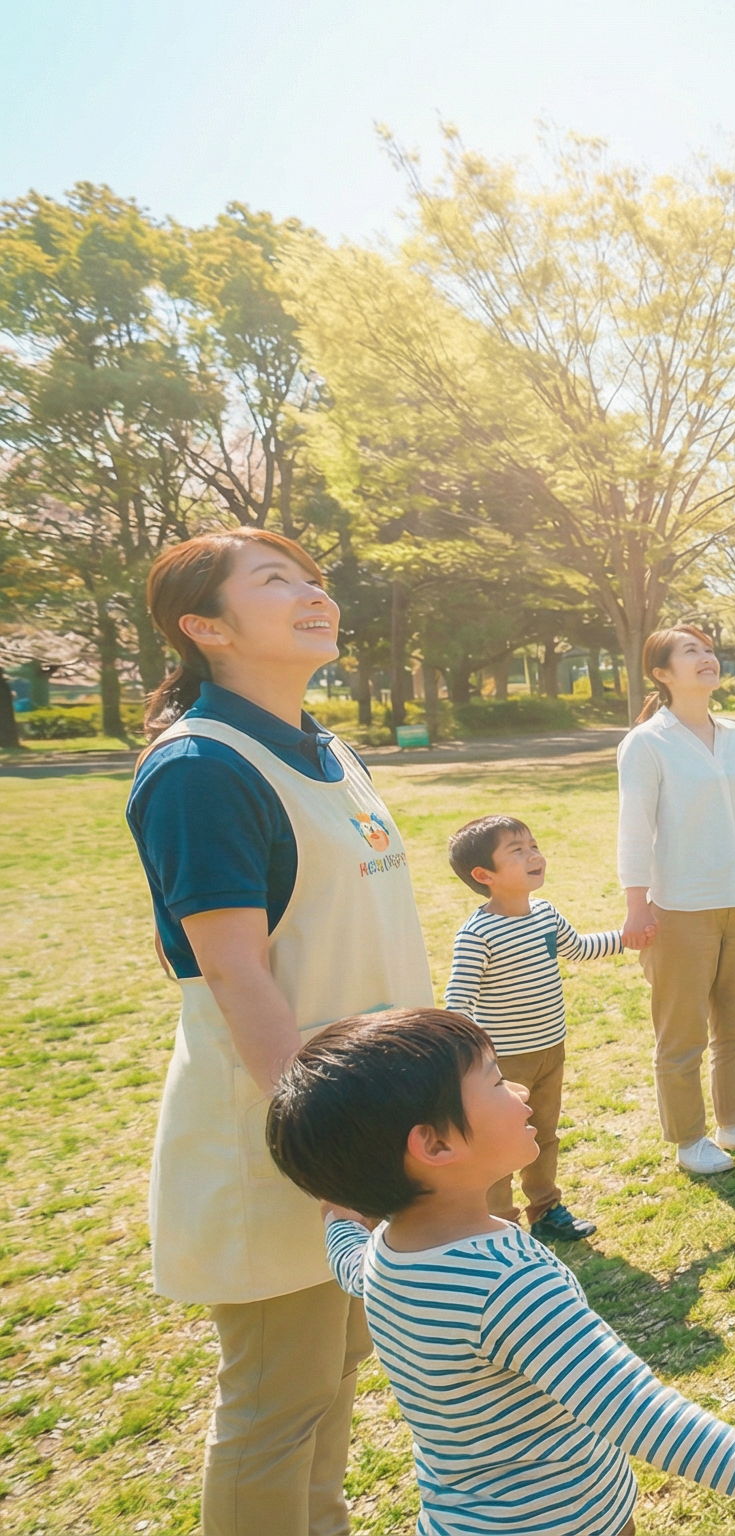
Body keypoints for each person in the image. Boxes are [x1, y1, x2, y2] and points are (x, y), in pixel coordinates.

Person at [123, 527, 439, 1536]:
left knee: (331, 1382)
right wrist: (330, 1150)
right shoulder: (199, 769)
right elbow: (234, 970)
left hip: (363, 1126)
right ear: (204, 627)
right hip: (284, 1144)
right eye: (275, 582)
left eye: (312, 579)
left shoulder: (323, 746)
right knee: (275, 1406)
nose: (314, 594)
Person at [263, 1008, 735, 1533]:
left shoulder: (390, 1254)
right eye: (497, 1081)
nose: (521, 1091)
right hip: (564, 1522)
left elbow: (348, 1263)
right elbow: (635, 1411)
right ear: (436, 1146)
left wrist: (337, 1214)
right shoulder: (506, 1285)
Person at [616, 625, 735, 1176]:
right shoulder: (647, 742)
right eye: (690, 652)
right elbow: (634, 828)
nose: (706, 659)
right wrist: (637, 903)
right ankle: (689, 1139)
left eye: (708, 650)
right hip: (679, 908)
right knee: (681, 1033)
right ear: (661, 673)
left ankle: (734, 1124)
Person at [443, 814, 633, 1241]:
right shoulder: (478, 934)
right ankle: (499, 1224)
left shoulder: (545, 914)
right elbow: (459, 1000)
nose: (534, 855)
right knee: (497, 1145)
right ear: (483, 875)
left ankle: (546, 1210)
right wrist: (475, 1059)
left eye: (533, 845)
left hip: (551, 1048)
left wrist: (628, 937)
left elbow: (579, 948)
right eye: (517, 851)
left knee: (543, 1134)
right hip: (502, 1061)